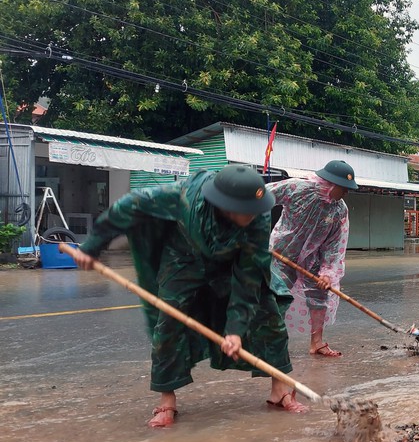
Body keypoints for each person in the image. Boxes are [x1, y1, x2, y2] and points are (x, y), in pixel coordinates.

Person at [71, 165, 308, 428]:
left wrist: (235, 329)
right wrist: (92, 245)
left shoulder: (258, 214)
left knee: (268, 311)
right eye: (247, 212)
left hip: (231, 262)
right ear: (225, 206)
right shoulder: (180, 196)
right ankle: (167, 399)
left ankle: (280, 389)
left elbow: (249, 276)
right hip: (183, 256)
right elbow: (128, 205)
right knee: (169, 322)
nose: (255, 215)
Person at [269, 160, 358, 358]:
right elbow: (261, 196)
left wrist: (327, 273)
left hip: (312, 259)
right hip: (283, 253)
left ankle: (316, 343)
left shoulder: (339, 210)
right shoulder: (296, 188)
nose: (346, 193)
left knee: (319, 297)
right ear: (331, 184)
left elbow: (336, 245)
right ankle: (269, 342)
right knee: (277, 294)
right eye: (344, 189)